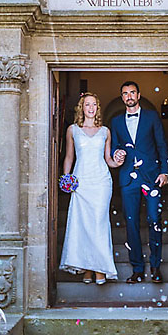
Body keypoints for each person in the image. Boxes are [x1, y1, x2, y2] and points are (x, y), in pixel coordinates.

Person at [110, 81, 168, 284]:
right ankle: (136, 269)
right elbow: (114, 147)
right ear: (122, 97)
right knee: (131, 223)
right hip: (128, 179)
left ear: (139, 94)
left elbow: (162, 145)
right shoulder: (116, 122)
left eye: (132, 92)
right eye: (125, 93)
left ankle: (155, 267)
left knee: (154, 220)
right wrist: (116, 153)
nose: (129, 96)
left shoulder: (152, 117)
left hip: (152, 177)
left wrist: (164, 172)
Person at [59, 93, 119, 284]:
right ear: (81, 107)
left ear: (97, 107)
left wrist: (118, 161)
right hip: (81, 182)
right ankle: (86, 268)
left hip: (101, 182)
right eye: (87, 104)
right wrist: (66, 177)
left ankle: (100, 268)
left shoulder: (105, 131)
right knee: (83, 225)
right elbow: (69, 156)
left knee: (99, 224)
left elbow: (108, 159)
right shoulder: (73, 130)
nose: (91, 108)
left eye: (94, 104)